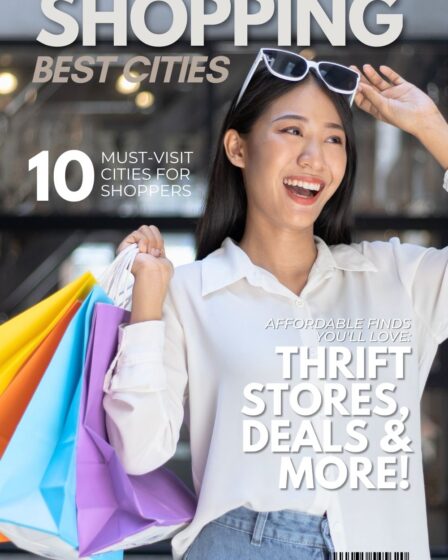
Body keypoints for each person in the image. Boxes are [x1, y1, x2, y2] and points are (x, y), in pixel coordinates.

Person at [103, 49, 448, 560]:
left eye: (334, 138)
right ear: (238, 148)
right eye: (292, 131)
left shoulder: (398, 278)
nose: (315, 157)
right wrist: (148, 309)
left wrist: (432, 128)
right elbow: (138, 449)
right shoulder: (190, 292)